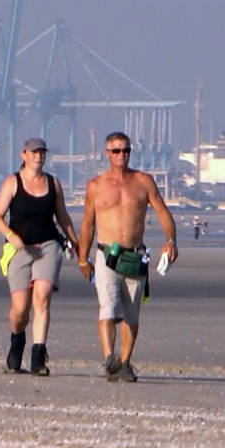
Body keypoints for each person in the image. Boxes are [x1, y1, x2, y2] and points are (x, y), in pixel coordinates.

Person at [79, 131, 178, 383]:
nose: (121, 155)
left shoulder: (143, 181)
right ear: (107, 154)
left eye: (126, 151)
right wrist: (83, 258)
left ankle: (124, 363)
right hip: (107, 256)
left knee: (131, 316)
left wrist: (171, 240)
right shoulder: (96, 186)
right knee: (108, 309)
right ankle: (109, 358)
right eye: (116, 151)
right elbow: (88, 224)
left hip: (135, 257)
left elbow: (162, 210)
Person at [0, 137, 80, 376]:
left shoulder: (53, 183)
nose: (39, 157)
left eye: (42, 153)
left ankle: (38, 356)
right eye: (34, 152)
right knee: (20, 311)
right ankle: (17, 339)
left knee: (42, 297)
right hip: (20, 249)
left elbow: (63, 217)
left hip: (49, 246)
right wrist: (11, 236)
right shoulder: (13, 182)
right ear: (24, 155)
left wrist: (75, 242)